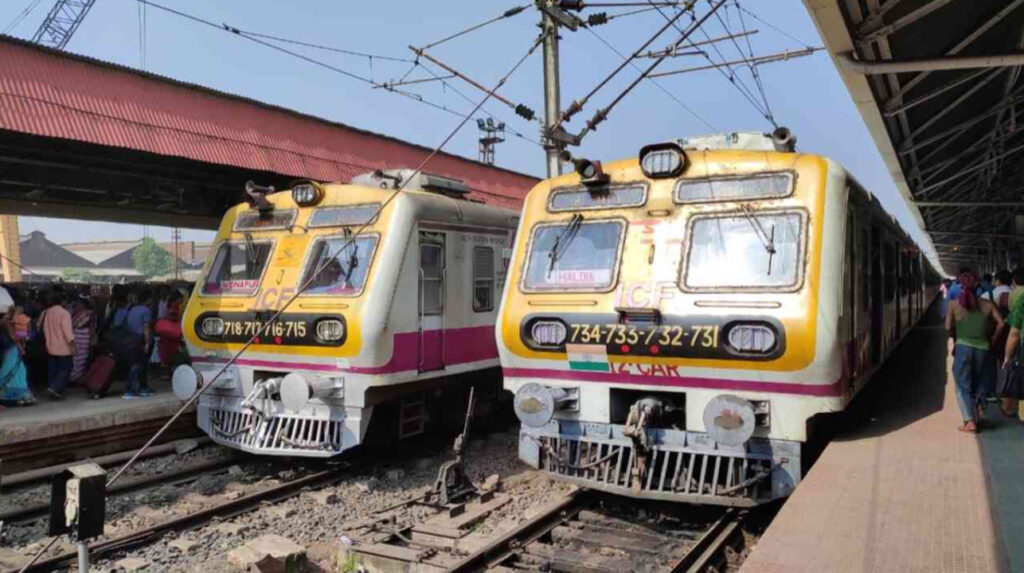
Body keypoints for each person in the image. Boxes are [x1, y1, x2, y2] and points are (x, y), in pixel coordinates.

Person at [947, 271, 1004, 433]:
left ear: (960, 286)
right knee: (979, 383)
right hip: (984, 349)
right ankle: (978, 414)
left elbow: (947, 327)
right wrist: (992, 340)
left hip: (963, 348)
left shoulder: (953, 304)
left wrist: (955, 335)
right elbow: (1000, 323)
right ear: (977, 286)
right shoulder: (987, 304)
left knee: (962, 385)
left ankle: (969, 421)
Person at [114, 289, 154, 399]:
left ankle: (139, 388)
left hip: (129, 339)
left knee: (134, 364)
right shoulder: (146, 310)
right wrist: (147, 343)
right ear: (149, 299)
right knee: (138, 365)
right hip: (139, 339)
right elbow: (146, 327)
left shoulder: (131, 309)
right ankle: (131, 390)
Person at [39, 291, 75, 400]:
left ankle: (54, 390)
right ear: (62, 301)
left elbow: (38, 327)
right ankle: (55, 388)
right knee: (66, 369)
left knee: (53, 370)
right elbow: (68, 332)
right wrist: (73, 346)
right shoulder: (64, 313)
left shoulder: (45, 312)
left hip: (49, 346)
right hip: (63, 347)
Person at [0, 322, 33, 406]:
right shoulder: (6, 323)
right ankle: (18, 397)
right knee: (18, 373)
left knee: (8, 372)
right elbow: (14, 336)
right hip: (11, 353)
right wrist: (27, 332)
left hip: (5, 353)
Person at [70, 298, 94, 382]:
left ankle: (77, 377)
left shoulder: (88, 314)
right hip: (77, 339)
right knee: (76, 359)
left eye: (78, 304)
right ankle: (74, 377)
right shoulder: (76, 313)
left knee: (80, 359)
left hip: (83, 339)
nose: (76, 306)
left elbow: (90, 328)